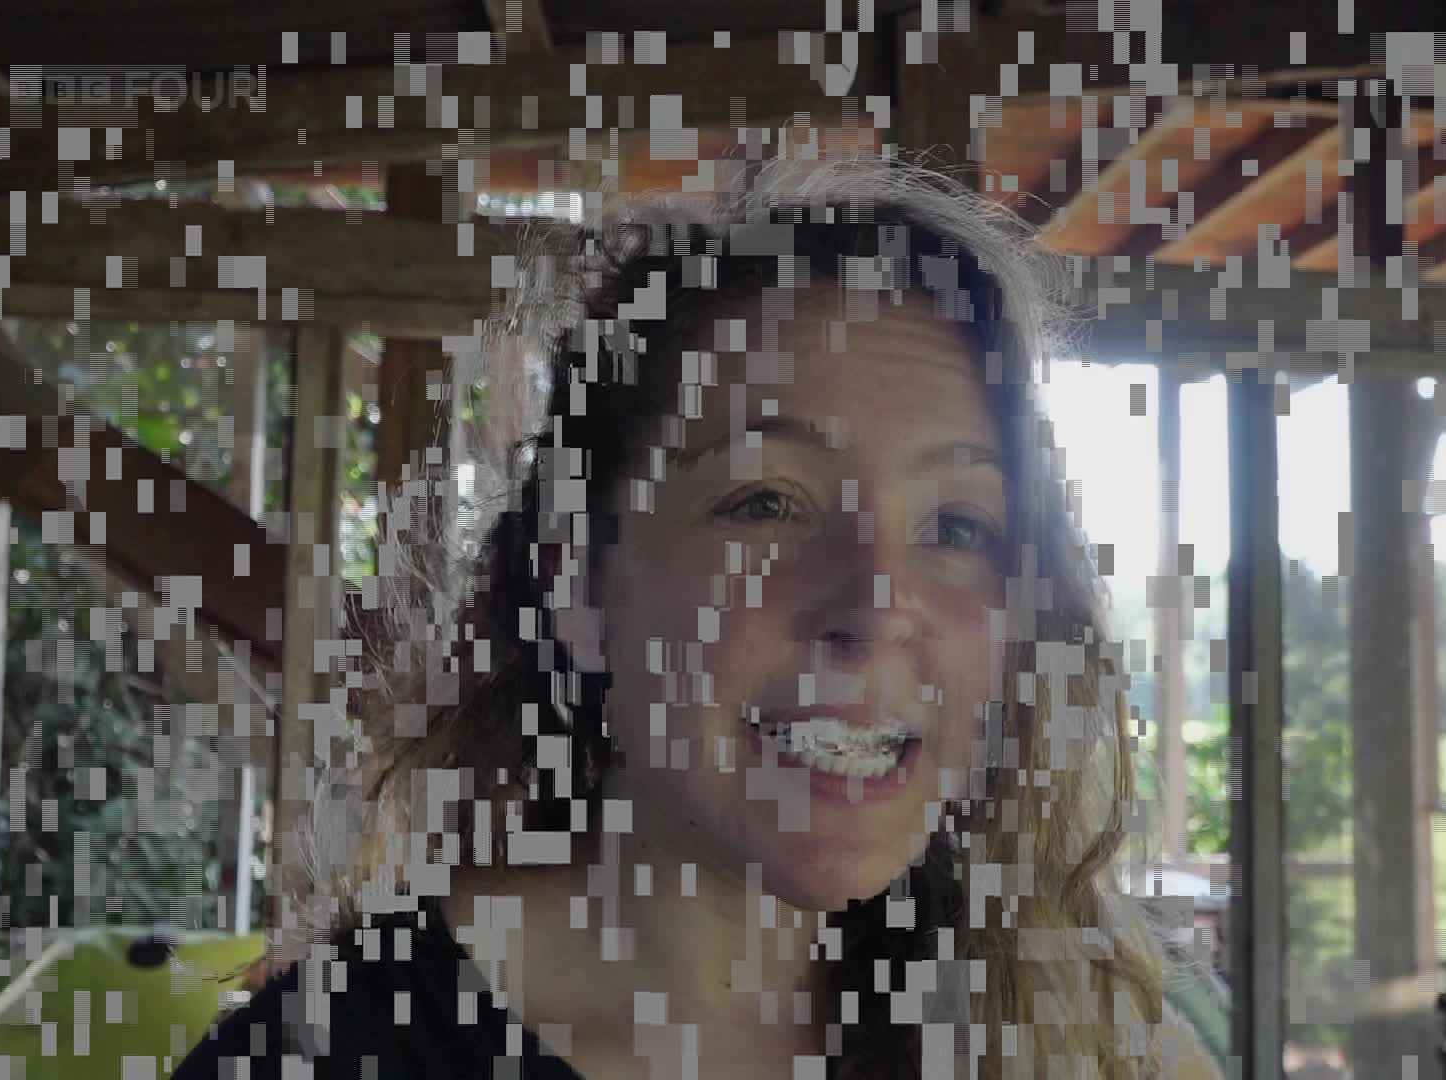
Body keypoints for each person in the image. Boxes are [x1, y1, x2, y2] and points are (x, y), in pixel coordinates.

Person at [173, 158, 1222, 1079]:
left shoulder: (1086, 1049)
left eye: (956, 524)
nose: (876, 604)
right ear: (580, 589)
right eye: (766, 503)